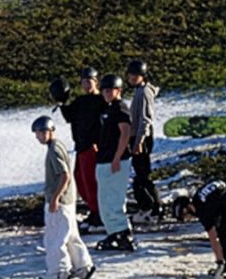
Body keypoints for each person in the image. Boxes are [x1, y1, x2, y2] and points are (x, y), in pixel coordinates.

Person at [35, 115, 94, 279]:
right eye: (37, 133)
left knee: (55, 238)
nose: (38, 136)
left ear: (50, 131)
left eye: (41, 132)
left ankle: (58, 271)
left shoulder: (54, 149)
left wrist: (55, 198)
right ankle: (83, 267)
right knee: (70, 236)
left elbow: (64, 175)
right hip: (68, 200)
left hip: (60, 201)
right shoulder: (58, 145)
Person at [92, 74, 135, 252]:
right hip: (104, 159)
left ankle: (123, 234)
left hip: (115, 160)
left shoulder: (120, 108)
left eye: (110, 90)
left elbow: (125, 133)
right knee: (105, 200)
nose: (107, 93)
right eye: (105, 90)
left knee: (114, 200)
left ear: (118, 91)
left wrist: (118, 156)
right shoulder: (109, 108)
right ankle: (114, 232)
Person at [60, 66, 104, 229]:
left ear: (96, 82)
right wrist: (62, 102)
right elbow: (69, 117)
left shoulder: (101, 100)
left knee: (91, 182)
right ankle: (94, 211)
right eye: (84, 81)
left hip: (93, 146)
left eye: (90, 80)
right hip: (81, 145)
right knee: (81, 180)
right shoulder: (80, 101)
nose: (86, 84)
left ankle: (98, 214)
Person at [123, 59, 160, 214]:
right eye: (130, 74)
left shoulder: (144, 92)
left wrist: (139, 141)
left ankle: (152, 208)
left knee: (143, 176)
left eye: (135, 75)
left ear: (142, 76)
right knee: (141, 175)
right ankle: (149, 207)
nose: (131, 78)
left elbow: (146, 119)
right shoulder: (139, 91)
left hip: (142, 138)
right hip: (137, 137)